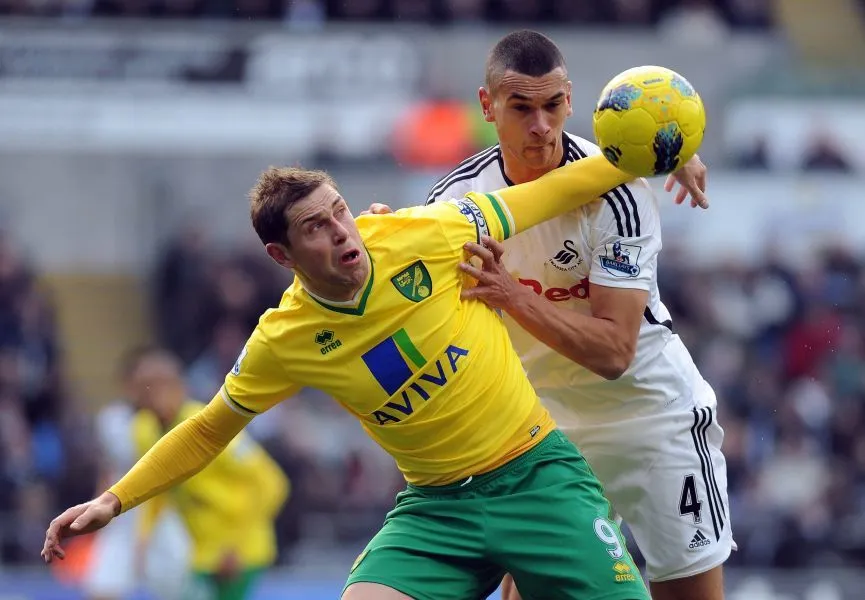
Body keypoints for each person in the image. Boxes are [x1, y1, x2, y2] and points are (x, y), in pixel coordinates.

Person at [41, 153, 661, 600]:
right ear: (280, 256)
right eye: (316, 227)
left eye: (340, 211)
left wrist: (649, 157)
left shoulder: (423, 233)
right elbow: (207, 430)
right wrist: (112, 500)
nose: (344, 232)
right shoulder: (282, 339)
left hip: (536, 479)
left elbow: (549, 193)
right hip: (438, 510)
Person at [422, 30, 732, 600]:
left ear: (570, 99)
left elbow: (615, 353)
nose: (540, 125)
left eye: (551, 106)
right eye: (521, 108)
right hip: (543, 433)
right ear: (487, 106)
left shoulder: (619, 191)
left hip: (650, 418)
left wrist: (511, 295)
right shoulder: (455, 202)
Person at [125, 346, 289, 600]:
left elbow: (272, 482)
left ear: (177, 387)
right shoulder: (143, 430)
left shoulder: (211, 425)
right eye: (142, 387)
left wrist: (236, 547)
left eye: (156, 386)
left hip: (239, 551)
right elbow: (154, 488)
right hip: (202, 552)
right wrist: (143, 540)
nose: (147, 396)